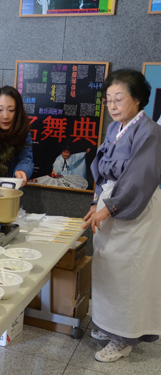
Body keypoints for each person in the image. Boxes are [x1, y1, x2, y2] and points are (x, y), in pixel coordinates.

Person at [82, 69, 161, 362]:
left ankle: (125, 338)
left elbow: (140, 178)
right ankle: (107, 325)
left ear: (138, 99)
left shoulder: (150, 131)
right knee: (108, 268)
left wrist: (109, 207)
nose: (112, 106)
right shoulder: (114, 129)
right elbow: (101, 170)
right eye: (109, 100)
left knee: (130, 273)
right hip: (110, 204)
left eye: (119, 99)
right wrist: (95, 201)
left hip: (135, 207)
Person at [0, 85, 33, 188]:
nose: (5, 116)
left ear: (18, 111)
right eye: (0, 110)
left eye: (11, 110)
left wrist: (22, 170)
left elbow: (26, 156)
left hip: (10, 188)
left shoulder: (23, 127)